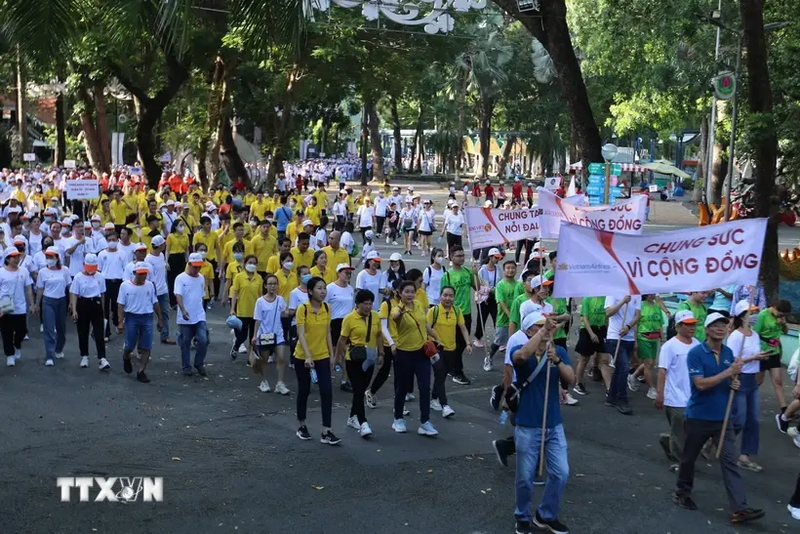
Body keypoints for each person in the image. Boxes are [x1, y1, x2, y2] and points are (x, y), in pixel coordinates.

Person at [673, 312, 764, 524]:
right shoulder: (696, 353)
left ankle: (739, 509)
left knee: (729, 462)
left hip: (724, 418)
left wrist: (734, 382)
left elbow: (729, 379)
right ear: (706, 329)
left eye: (724, 325)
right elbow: (700, 384)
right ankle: (681, 493)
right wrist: (728, 373)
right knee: (688, 459)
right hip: (699, 416)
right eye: (715, 325)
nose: (720, 328)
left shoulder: (729, 352)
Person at [510, 312, 573, 534]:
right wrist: (544, 331)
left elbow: (571, 378)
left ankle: (545, 515)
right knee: (525, 478)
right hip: (527, 425)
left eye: (546, 327)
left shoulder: (559, 351)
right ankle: (522, 515)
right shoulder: (522, 353)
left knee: (561, 473)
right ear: (528, 332)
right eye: (538, 327)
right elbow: (521, 356)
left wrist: (556, 360)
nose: (545, 331)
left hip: (554, 425)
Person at [391, 280, 441, 435]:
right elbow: (395, 317)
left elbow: (424, 323)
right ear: (400, 293)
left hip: (421, 352)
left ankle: (425, 421)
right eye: (406, 291)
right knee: (403, 388)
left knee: (425, 386)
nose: (410, 294)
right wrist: (399, 312)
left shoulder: (418, 305)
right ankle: (398, 418)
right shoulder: (397, 308)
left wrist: (435, 336)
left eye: (412, 291)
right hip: (404, 353)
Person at [294, 276, 340, 445]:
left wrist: (332, 354)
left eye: (324, 288)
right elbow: (300, 333)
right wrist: (307, 355)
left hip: (322, 355)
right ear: (311, 291)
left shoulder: (327, 308)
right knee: (304, 390)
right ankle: (302, 425)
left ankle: (326, 430)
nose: (323, 291)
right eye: (319, 288)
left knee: (327, 391)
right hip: (302, 356)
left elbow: (328, 332)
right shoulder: (303, 309)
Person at [655, 310, 700, 472]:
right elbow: (662, 371)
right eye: (688, 325)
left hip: (693, 396)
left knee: (689, 430)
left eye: (693, 324)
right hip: (674, 396)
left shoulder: (697, 344)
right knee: (679, 430)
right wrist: (660, 394)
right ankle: (677, 461)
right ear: (677, 326)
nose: (692, 328)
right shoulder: (669, 346)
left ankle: (667, 440)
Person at [728, 300, 770, 473]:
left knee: (753, 419)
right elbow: (731, 361)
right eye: (750, 312)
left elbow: (756, 356)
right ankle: (717, 440)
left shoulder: (755, 335)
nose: (754, 315)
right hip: (739, 378)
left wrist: (761, 359)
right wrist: (754, 358)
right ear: (741, 315)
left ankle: (745, 455)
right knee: (739, 418)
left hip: (752, 379)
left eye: (755, 311)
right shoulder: (735, 337)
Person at [338, 289, 383, 438]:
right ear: (358, 304)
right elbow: (342, 340)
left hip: (369, 359)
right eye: (365, 304)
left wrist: (381, 353)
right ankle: (363, 423)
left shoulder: (375, 317)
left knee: (361, 389)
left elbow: (378, 336)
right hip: (354, 360)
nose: (368, 307)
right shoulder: (349, 319)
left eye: (370, 303)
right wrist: (341, 356)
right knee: (358, 390)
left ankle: (352, 417)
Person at [117, 262, 163, 383]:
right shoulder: (125, 286)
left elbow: (155, 302)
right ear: (134, 273)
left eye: (145, 274)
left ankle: (141, 371)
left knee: (146, 346)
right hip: (132, 317)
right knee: (130, 345)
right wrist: (120, 322)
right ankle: (126, 356)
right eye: (141, 274)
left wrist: (160, 319)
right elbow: (120, 305)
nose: (143, 276)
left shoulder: (149, 285)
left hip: (147, 317)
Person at [428, 286, 470, 419]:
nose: (447, 298)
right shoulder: (433, 311)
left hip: (451, 349)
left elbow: (463, 328)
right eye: (445, 295)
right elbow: (426, 328)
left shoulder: (457, 311)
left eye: (450, 295)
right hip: (437, 349)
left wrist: (468, 343)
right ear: (440, 296)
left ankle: (433, 399)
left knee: (442, 376)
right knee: (440, 373)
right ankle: (445, 405)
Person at [439, 246, 476, 385]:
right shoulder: (447, 275)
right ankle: (457, 371)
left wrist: (476, 274)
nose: (461, 258)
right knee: (455, 343)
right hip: (452, 314)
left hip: (466, 312)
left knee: (461, 344)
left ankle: (450, 365)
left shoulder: (467, 272)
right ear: (451, 258)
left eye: (462, 255)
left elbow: (477, 287)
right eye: (458, 256)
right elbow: (442, 296)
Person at [251, 274, 291, 395]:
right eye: (270, 284)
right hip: (264, 334)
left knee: (282, 357)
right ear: (265, 286)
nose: (273, 286)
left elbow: (284, 313)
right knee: (264, 360)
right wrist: (254, 336)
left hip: (278, 333)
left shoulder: (280, 299)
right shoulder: (260, 301)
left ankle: (280, 383)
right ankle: (263, 381)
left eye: (275, 284)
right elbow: (257, 320)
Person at [69, 254, 109, 370]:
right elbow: (74, 294)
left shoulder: (100, 277)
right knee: (83, 331)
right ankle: (84, 356)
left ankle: (102, 358)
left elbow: (102, 294)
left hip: (95, 303)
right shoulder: (78, 277)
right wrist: (74, 309)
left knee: (99, 332)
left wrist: (102, 309)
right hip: (83, 303)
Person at [604, 295, 641, 415]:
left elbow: (637, 316)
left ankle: (611, 397)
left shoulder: (637, 294)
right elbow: (608, 312)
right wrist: (622, 301)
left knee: (619, 369)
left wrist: (628, 327)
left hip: (628, 337)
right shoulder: (613, 292)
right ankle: (622, 399)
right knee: (624, 368)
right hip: (615, 337)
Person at [754, 299, 791, 417]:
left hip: (775, 351)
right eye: (780, 314)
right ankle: (750, 402)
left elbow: (785, 332)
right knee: (758, 381)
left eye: (784, 315)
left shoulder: (781, 317)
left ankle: (784, 408)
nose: (781, 316)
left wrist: (783, 324)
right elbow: (755, 334)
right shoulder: (762, 315)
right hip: (763, 351)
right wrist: (758, 351)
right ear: (773, 306)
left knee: (778, 381)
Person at [174, 253, 210, 377]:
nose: (197, 269)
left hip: (199, 315)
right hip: (186, 316)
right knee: (185, 342)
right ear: (189, 264)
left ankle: (199, 363)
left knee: (203, 340)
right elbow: (178, 295)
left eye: (199, 267)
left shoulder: (201, 278)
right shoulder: (180, 278)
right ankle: (186, 366)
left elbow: (201, 296)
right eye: (195, 267)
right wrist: (183, 310)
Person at [33, 247, 70, 365]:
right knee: (49, 329)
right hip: (48, 301)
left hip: (61, 300)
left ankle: (59, 348)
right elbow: (39, 289)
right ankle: (49, 355)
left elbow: (70, 287)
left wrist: (72, 304)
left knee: (61, 328)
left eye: (51, 257)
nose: (49, 259)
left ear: (57, 258)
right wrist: (37, 305)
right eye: (47, 257)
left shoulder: (65, 270)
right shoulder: (43, 272)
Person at [0, 246, 33, 366]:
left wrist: (32, 304)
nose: (16, 259)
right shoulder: (1, 272)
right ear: (7, 259)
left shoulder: (23, 271)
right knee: (6, 332)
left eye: (18, 256)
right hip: (5, 305)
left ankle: (17, 345)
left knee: (22, 331)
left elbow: (28, 288)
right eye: (13, 257)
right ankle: (10, 355)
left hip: (20, 306)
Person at [628, 294, 663, 400]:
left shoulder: (657, 306)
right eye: (650, 293)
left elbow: (660, 323)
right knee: (649, 364)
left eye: (654, 293)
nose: (653, 295)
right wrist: (635, 341)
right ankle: (651, 389)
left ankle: (633, 376)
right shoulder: (640, 305)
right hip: (643, 337)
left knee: (650, 364)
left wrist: (662, 337)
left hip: (654, 338)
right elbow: (636, 324)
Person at [573, 296, 608, 396]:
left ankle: (609, 389)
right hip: (588, 330)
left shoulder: (606, 298)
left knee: (605, 360)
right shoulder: (587, 298)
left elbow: (607, 315)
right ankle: (578, 383)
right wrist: (591, 334)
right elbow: (584, 317)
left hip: (601, 329)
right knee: (584, 359)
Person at [229, 255, 263, 359]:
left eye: (254, 263)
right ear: (245, 263)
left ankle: (251, 356)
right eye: (250, 263)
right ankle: (236, 346)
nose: (252, 265)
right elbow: (235, 293)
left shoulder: (259, 278)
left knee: (253, 336)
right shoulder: (239, 277)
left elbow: (260, 294)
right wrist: (232, 309)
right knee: (242, 335)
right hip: (242, 310)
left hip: (255, 311)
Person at [146, 235, 175, 345]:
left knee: (165, 313)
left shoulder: (161, 255)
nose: (165, 245)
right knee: (148, 314)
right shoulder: (148, 259)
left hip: (163, 289)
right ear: (159, 246)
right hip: (153, 291)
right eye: (163, 243)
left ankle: (165, 335)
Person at [98, 232, 125, 340]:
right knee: (104, 308)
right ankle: (106, 332)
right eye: (109, 240)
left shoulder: (122, 254)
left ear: (118, 241)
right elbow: (99, 270)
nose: (112, 242)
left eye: (114, 239)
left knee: (116, 306)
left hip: (118, 282)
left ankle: (117, 321)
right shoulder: (102, 254)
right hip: (105, 282)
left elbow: (126, 269)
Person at [475, 247, 502, 352]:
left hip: (494, 297)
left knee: (497, 318)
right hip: (484, 298)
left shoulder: (498, 269)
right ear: (490, 257)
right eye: (495, 257)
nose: (497, 260)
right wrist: (488, 290)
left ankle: (498, 339)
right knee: (482, 318)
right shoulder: (482, 269)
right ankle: (478, 337)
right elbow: (479, 285)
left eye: (498, 257)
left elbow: (500, 282)